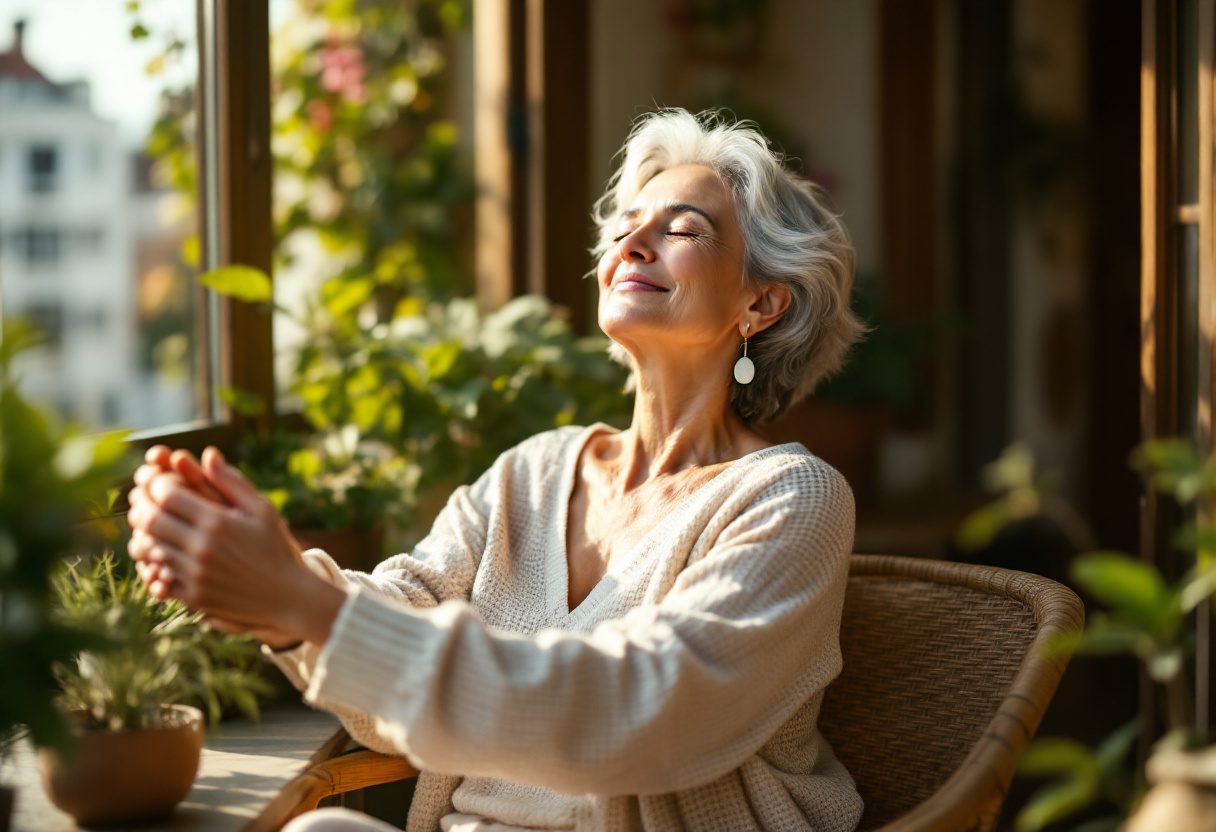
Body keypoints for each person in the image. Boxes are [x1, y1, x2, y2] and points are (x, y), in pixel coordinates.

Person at [126, 108, 866, 832]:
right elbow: (401, 620)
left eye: (682, 230)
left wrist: (302, 601)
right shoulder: (534, 473)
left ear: (762, 302)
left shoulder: (793, 499)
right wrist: (271, 595)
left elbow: (633, 714)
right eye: (625, 226)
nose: (633, 244)